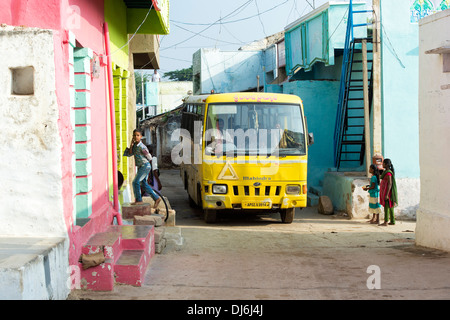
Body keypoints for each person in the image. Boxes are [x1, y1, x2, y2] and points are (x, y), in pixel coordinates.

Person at [123, 129, 161, 208]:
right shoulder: (135, 146)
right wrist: (131, 144)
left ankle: (139, 200)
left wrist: (150, 170)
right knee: (143, 184)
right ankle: (156, 198)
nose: (136, 137)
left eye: (137, 135)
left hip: (145, 166)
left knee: (135, 182)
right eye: (134, 135)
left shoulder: (142, 147)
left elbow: (149, 157)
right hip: (141, 167)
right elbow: (130, 153)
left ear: (141, 137)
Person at [379, 158, 398, 226]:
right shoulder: (386, 172)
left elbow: (390, 183)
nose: (382, 164)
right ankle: (392, 221)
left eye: (383, 163)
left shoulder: (389, 173)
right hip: (386, 192)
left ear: (386, 164)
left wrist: (386, 194)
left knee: (386, 207)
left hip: (388, 192)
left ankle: (386, 221)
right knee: (390, 206)